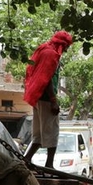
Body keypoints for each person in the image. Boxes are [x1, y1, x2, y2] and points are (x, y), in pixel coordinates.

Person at [23, 30, 73, 167]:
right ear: (62, 44)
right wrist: (54, 101)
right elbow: (47, 78)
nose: (67, 50)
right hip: (45, 97)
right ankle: (49, 164)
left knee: (38, 132)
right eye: (67, 46)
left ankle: (27, 158)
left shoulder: (43, 49)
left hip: (36, 96)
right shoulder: (51, 54)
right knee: (52, 131)